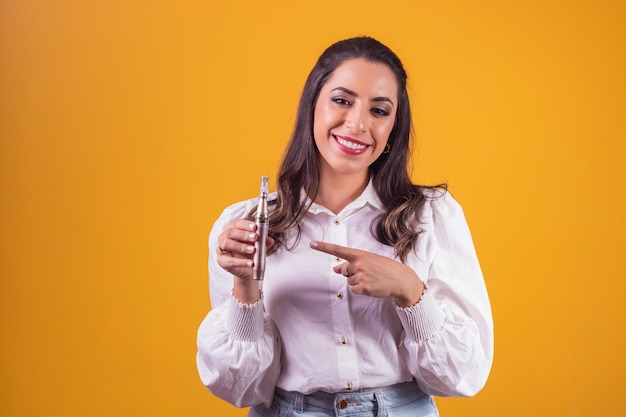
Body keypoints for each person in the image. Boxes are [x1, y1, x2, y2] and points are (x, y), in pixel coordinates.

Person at [196, 36, 493, 417]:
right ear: (313, 106)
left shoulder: (431, 216)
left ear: (393, 128)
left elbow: (463, 377)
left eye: (380, 110)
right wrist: (245, 286)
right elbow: (239, 386)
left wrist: (409, 289)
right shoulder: (245, 226)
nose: (357, 124)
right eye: (342, 100)